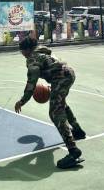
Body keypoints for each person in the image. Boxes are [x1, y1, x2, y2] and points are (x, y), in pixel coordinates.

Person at [14, 36, 86, 169]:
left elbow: (31, 83)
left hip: (60, 78)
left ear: (27, 50)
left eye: (22, 51)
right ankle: (78, 130)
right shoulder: (43, 52)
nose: (22, 54)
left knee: (55, 113)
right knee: (60, 103)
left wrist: (22, 101)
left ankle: (73, 151)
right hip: (68, 73)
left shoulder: (32, 59)